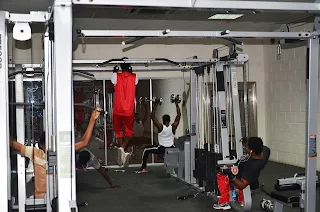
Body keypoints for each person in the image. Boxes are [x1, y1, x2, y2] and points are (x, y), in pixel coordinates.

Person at [10, 108, 119, 199]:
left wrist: (92, 119)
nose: (50, 146)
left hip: (58, 198)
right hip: (40, 198)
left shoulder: (61, 152)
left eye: (52, 143)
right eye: (47, 144)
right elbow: (12, 143)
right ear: (41, 145)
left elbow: (84, 142)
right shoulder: (35, 153)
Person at [213, 137, 270, 210]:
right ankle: (240, 199)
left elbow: (242, 185)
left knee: (221, 174)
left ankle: (223, 202)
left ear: (251, 151)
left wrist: (231, 175)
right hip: (243, 172)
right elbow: (259, 145)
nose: (245, 148)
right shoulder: (265, 152)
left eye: (247, 147)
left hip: (241, 177)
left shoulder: (252, 166)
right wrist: (248, 141)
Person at [136, 100, 181, 173]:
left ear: (163, 121)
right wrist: (176, 104)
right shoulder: (173, 127)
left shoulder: (160, 127)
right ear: (169, 121)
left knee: (146, 150)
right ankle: (167, 163)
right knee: (175, 147)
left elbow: (152, 116)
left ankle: (143, 168)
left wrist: (155, 104)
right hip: (171, 148)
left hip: (161, 149)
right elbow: (178, 115)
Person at [111, 61, 139, 167]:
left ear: (121, 68)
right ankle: (122, 149)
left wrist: (115, 71)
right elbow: (135, 83)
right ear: (130, 68)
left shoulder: (115, 76)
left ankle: (122, 152)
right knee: (129, 132)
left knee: (118, 131)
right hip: (129, 110)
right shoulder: (135, 77)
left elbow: (113, 80)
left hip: (118, 109)